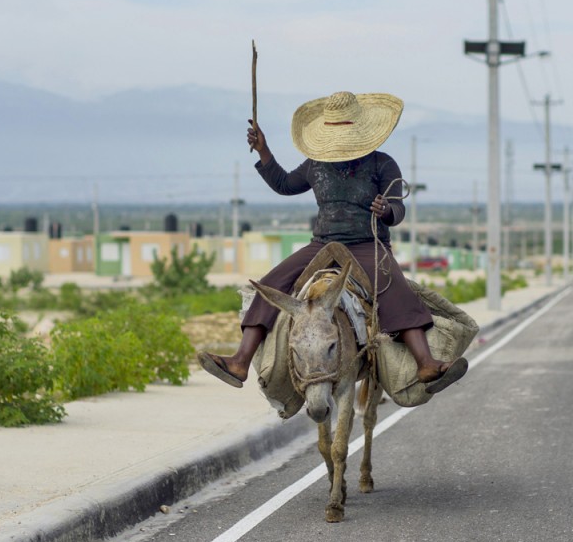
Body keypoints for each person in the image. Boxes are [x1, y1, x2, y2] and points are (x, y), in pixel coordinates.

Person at [198, 90, 468, 394]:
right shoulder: (316, 164)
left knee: (394, 288)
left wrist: (387, 210)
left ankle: (426, 362)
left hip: (368, 244)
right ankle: (240, 360)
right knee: (272, 285)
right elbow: (285, 185)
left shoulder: (382, 164)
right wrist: (264, 151)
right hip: (322, 245)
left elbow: (398, 209)